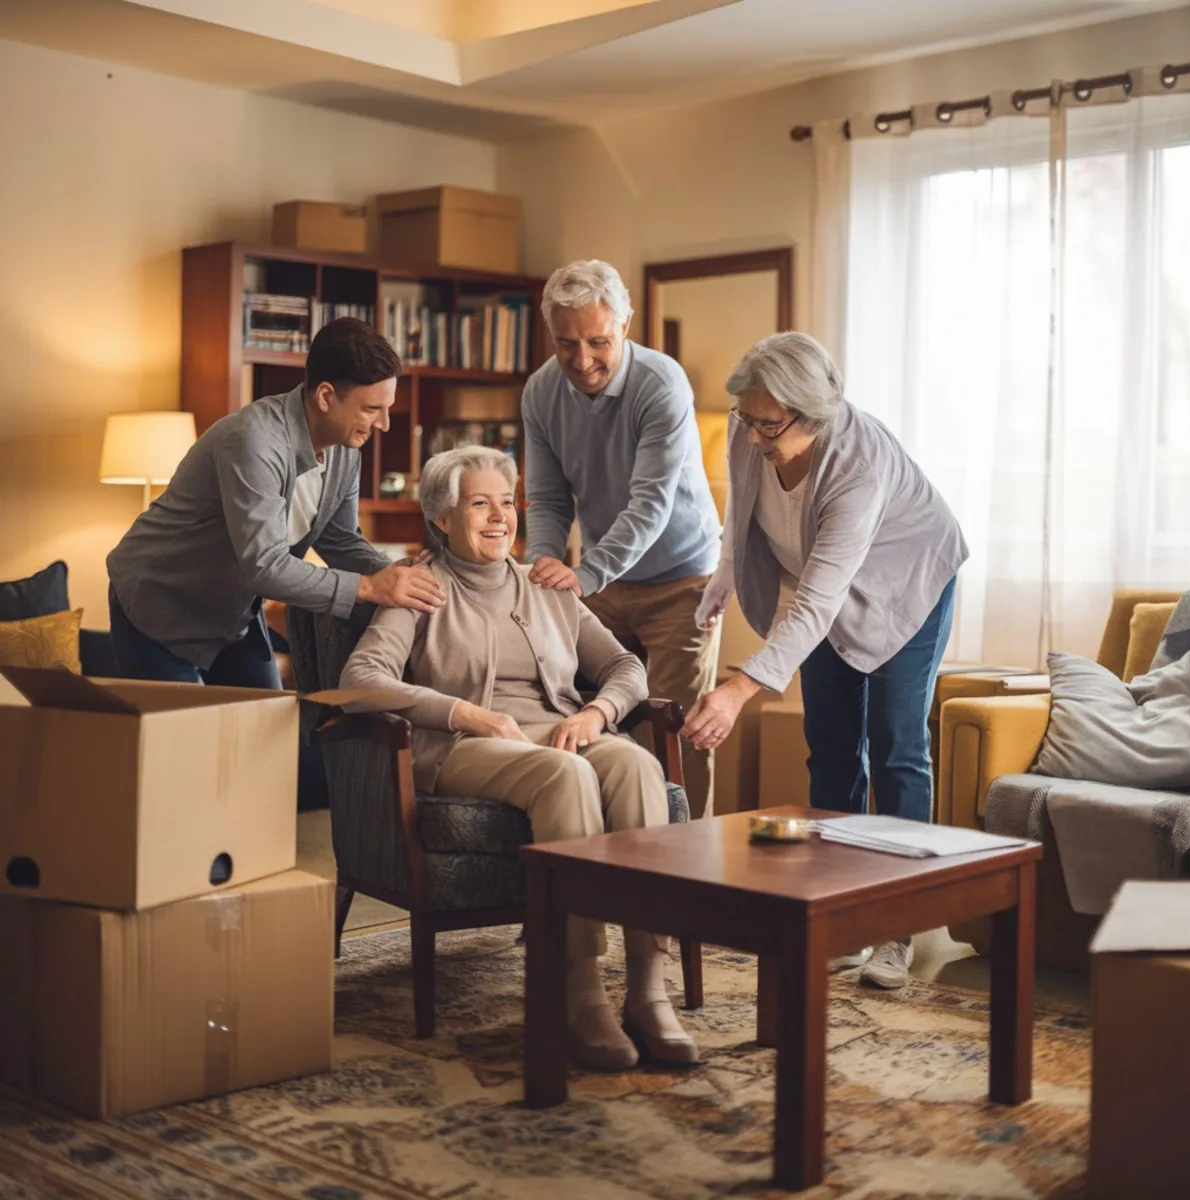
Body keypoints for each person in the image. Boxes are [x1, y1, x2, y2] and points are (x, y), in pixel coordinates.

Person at [339, 446, 699, 1072]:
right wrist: (465, 714)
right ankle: (577, 990)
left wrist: (596, 714)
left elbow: (624, 667)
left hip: (558, 729)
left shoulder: (545, 585)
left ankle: (647, 987)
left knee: (637, 764)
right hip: (464, 747)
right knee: (565, 772)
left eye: (506, 502)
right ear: (442, 518)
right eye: (479, 503)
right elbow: (360, 678)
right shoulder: (420, 587)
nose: (499, 516)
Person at [682, 332, 968, 990]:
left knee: (895, 746)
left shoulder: (857, 465)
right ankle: (841, 913)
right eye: (748, 418)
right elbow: (743, 510)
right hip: (827, 587)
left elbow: (813, 604)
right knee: (832, 747)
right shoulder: (753, 429)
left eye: (769, 425)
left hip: (906, 587)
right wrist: (726, 573)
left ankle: (898, 923)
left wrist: (736, 690)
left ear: (814, 415)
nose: (753, 435)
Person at [107, 318, 444, 685]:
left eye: (387, 408)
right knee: (187, 725)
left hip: (233, 615)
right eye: (371, 409)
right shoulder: (253, 441)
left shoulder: (345, 450)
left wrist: (406, 575)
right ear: (326, 397)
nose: (384, 424)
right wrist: (370, 587)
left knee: (269, 719)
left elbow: (341, 541)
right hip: (159, 605)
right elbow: (266, 566)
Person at [521, 259, 722, 818]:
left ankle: (686, 855)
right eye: (566, 344)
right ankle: (616, 850)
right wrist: (540, 572)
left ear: (625, 326)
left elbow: (650, 503)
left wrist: (584, 574)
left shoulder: (661, 384)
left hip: (682, 580)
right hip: (604, 580)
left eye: (598, 342)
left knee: (676, 730)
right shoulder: (541, 392)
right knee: (588, 713)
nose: (582, 360)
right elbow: (548, 499)